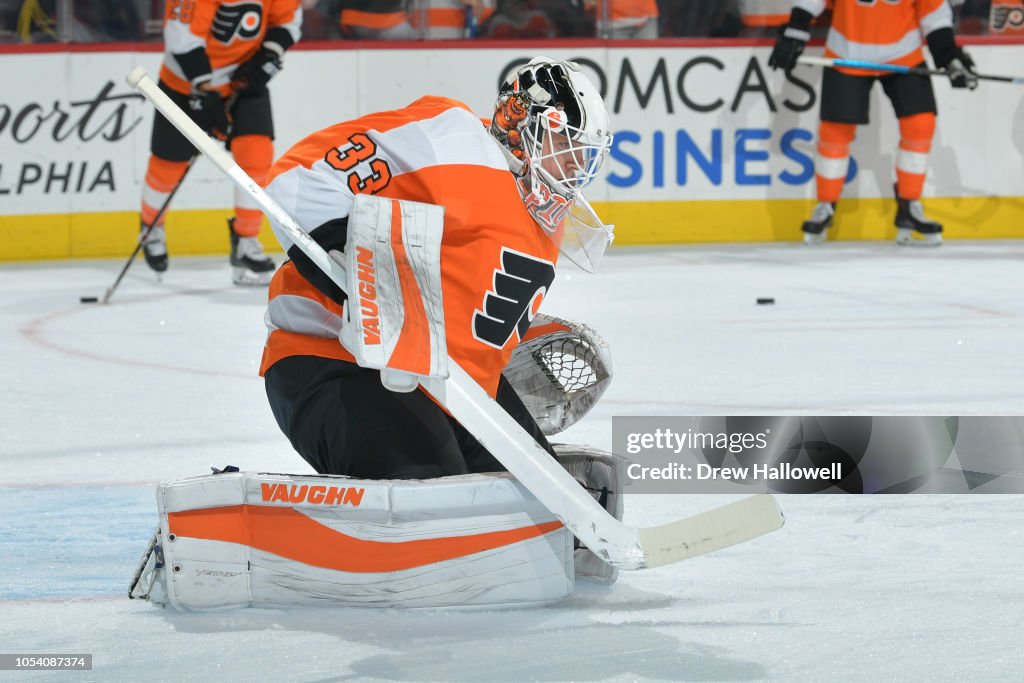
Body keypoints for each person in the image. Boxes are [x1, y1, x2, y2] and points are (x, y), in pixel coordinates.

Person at [259, 57, 614, 480]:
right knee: (434, 487)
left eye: (583, 154)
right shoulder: (454, 140)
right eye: (564, 143)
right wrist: (365, 280)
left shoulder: (545, 212)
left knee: (553, 500)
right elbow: (299, 176)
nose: (575, 167)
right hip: (332, 359)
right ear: (525, 123)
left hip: (445, 385)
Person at [769, 0, 979, 246]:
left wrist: (949, 57)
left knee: (920, 124)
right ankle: (825, 205)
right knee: (836, 131)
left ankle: (909, 206)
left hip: (903, 54)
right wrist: (797, 28)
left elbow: (934, 17)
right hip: (847, 52)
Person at [139, 0, 301, 284]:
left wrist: (268, 55)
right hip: (185, 83)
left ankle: (246, 240)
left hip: (243, 78)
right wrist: (203, 88)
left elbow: (287, 19)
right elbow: (181, 34)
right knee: (169, 164)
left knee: (256, 154)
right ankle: (151, 226)